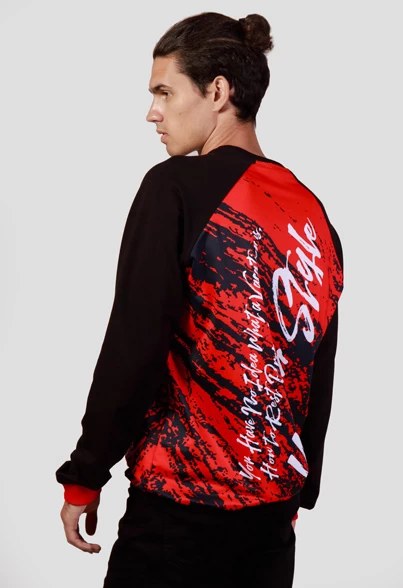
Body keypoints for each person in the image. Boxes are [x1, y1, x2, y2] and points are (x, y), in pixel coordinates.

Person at [56, 11, 344, 588]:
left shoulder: (173, 188)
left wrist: (86, 472)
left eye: (164, 91)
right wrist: (297, 492)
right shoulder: (313, 215)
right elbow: (315, 366)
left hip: (179, 515)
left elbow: (135, 344)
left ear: (217, 92)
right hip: (271, 525)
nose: (152, 112)